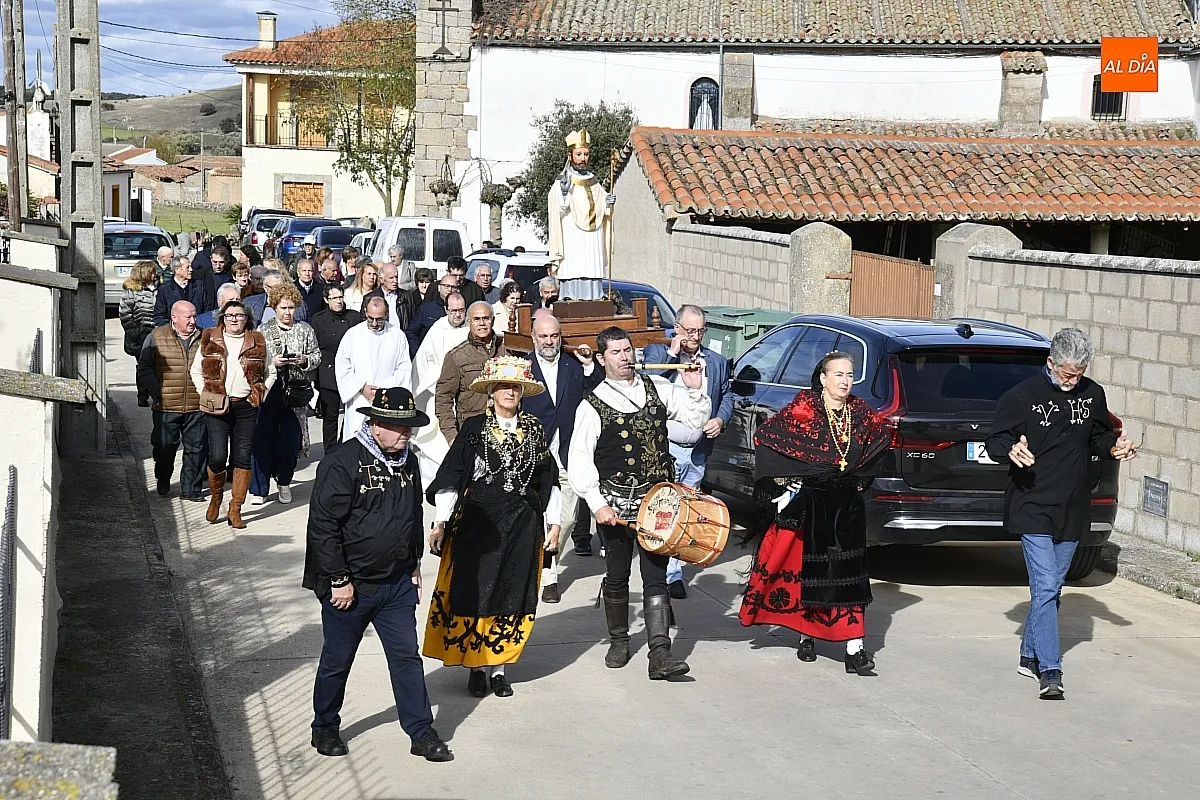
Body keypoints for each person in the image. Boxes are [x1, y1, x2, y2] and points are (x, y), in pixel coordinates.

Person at [986, 327, 1137, 700]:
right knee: (1047, 585)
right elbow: (996, 440)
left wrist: (1115, 447)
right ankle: (1050, 670)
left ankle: (1029, 654)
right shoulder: (1022, 396)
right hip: (1032, 503)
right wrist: (1011, 450)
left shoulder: (1092, 394)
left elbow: (1099, 437)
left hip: (1072, 506)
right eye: (1068, 374)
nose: (1073, 381)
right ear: (1050, 363)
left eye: (1079, 374)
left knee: (1051, 587)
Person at [304, 387, 452, 762]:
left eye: (409, 427)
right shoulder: (342, 463)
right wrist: (339, 580)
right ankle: (324, 726)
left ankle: (421, 731)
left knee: (406, 658)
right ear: (375, 424)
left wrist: (414, 564)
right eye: (397, 427)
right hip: (350, 586)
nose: (405, 433)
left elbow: (412, 515)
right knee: (338, 660)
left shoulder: (408, 461)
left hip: (396, 584)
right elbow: (323, 528)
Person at [568, 327, 709, 679]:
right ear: (601, 359)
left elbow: (695, 420)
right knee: (617, 574)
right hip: (614, 505)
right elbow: (579, 460)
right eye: (615, 352)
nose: (624, 357)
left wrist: (694, 389)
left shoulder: (657, 388)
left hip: (658, 503)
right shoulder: (591, 405)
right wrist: (597, 503)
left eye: (627, 350)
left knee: (655, 575)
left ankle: (660, 652)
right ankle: (619, 640)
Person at [738, 351, 890, 676]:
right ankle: (806, 636)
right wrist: (787, 478)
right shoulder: (804, 408)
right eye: (838, 374)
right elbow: (768, 438)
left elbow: (881, 440)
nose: (845, 381)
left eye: (850, 375)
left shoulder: (860, 413)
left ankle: (855, 650)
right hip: (811, 504)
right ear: (823, 378)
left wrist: (861, 479)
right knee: (811, 573)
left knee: (849, 576)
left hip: (846, 507)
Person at [425, 357, 560, 697]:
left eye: (515, 387)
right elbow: (454, 474)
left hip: (522, 524)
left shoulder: (535, 429)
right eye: (503, 386)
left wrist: (554, 522)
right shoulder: (474, 428)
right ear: (491, 391)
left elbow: (549, 478)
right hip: (479, 521)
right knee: (477, 591)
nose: (509, 392)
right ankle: (475, 666)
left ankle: (499, 670)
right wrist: (441, 521)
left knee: (511, 592)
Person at [641, 305, 733, 598]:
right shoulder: (658, 353)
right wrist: (672, 353)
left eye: (700, 331)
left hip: (698, 449)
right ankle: (667, 574)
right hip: (666, 447)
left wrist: (720, 419)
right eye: (690, 330)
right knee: (666, 508)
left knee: (688, 511)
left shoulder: (716, 362)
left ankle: (675, 566)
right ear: (677, 328)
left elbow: (726, 394)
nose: (695, 336)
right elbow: (648, 386)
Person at [524, 314, 599, 601]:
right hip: (534, 456)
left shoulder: (574, 367)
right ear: (534, 338)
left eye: (554, 336)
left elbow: (597, 390)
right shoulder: (523, 368)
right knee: (537, 517)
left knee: (566, 519)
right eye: (543, 336)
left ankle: (546, 561)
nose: (549, 341)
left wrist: (590, 364)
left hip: (568, 454)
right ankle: (548, 576)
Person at [191, 299, 274, 529]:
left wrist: (260, 394)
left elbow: (271, 372)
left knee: (242, 457)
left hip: (246, 406)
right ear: (223, 318)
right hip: (217, 405)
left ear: (246, 318)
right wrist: (205, 392)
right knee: (218, 456)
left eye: (239, 315)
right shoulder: (210, 338)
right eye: (230, 315)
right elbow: (196, 370)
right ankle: (216, 497)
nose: (234, 319)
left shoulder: (257, 340)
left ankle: (235, 508)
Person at [251, 284, 320, 505]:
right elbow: (254, 359)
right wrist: (272, 362)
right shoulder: (264, 330)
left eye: (291, 307)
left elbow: (316, 356)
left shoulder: (305, 329)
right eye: (283, 308)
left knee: (291, 442)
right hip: (270, 391)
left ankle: (284, 481)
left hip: (295, 395)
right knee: (262, 440)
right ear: (275, 307)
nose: (288, 312)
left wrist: (304, 360)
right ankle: (260, 488)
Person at [137, 300, 208, 500]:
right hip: (166, 406)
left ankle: (191, 489)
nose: (193, 321)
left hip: (197, 405)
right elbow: (144, 367)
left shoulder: (205, 338)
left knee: (196, 448)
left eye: (194, 316)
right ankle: (163, 478)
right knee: (164, 447)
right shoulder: (156, 337)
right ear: (174, 317)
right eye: (188, 317)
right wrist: (157, 392)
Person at [547, 129, 615, 300]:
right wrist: (564, 193)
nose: (583, 158)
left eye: (586, 154)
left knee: (592, 263)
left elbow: (601, 202)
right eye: (579, 154)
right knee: (574, 263)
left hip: (593, 236)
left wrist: (607, 203)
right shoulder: (563, 180)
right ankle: (570, 295)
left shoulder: (593, 180)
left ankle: (595, 295)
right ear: (570, 156)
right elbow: (557, 207)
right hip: (573, 235)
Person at [334, 297, 413, 443]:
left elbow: (404, 368)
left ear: (387, 314)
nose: (375, 324)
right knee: (356, 441)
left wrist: (384, 390)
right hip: (359, 398)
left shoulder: (397, 336)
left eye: (379, 319)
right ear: (365, 312)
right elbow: (342, 366)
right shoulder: (352, 335)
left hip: (387, 399)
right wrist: (361, 387)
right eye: (371, 319)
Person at [410, 293, 469, 481]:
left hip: (466, 394)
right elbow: (423, 363)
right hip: (439, 391)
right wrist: (443, 379)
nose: (458, 315)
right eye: (454, 310)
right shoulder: (437, 329)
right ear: (446, 310)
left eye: (461, 310)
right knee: (435, 441)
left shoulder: (470, 328)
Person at [435, 302, 506, 446]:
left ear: (493, 320)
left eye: (486, 318)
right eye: (476, 319)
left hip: (505, 427)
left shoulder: (507, 349)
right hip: (471, 431)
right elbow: (443, 398)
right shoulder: (457, 357)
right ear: (469, 322)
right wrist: (451, 436)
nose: (482, 323)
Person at [311, 284, 363, 451]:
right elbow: (315, 348)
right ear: (327, 300)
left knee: (351, 413)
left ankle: (344, 445)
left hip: (350, 372)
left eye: (340, 297)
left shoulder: (355, 317)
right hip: (328, 373)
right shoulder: (319, 320)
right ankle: (330, 452)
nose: (338, 301)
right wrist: (314, 379)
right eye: (334, 298)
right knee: (330, 416)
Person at [118, 260, 159, 407]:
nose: (155, 275)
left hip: (156, 333)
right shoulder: (131, 291)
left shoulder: (159, 288)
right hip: (139, 336)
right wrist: (136, 332)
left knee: (157, 365)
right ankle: (142, 395)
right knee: (143, 365)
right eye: (152, 272)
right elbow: (125, 315)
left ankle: (156, 394)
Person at [406, 274, 458, 354]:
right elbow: (411, 332)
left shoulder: (461, 310)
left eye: (453, 287)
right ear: (439, 288)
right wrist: (418, 352)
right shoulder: (426, 309)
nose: (450, 290)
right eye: (446, 286)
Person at [246, 269, 312, 326]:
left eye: (281, 287)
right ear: (265, 287)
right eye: (275, 287)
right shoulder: (250, 303)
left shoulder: (299, 305)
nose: (279, 290)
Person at [153, 256, 207, 325]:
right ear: (177, 270)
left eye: (190, 267)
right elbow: (159, 316)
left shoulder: (199, 285)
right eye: (187, 267)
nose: (191, 270)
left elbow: (207, 309)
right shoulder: (165, 290)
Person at [366, 262, 413, 331]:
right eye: (391, 278)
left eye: (396, 277)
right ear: (381, 280)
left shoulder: (407, 296)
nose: (395, 281)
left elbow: (413, 320)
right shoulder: (369, 298)